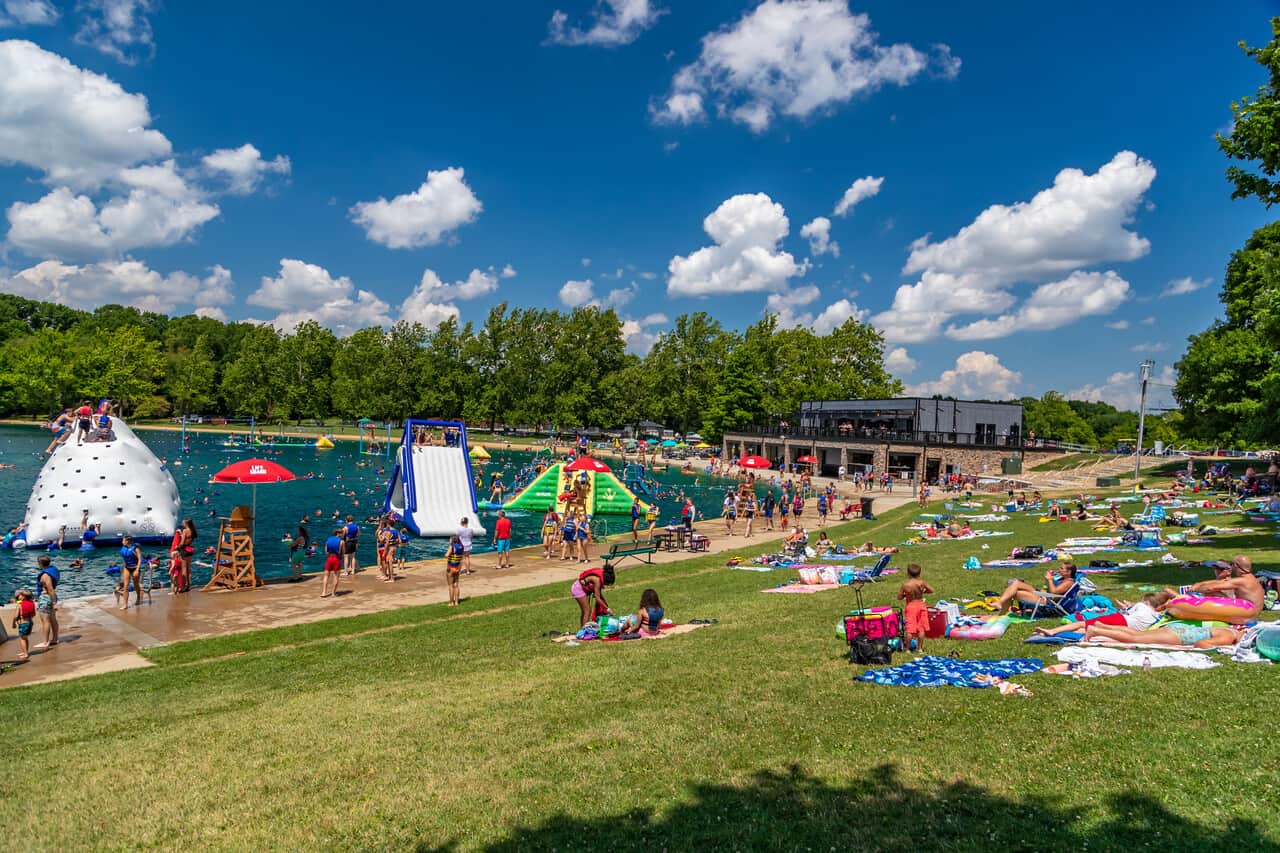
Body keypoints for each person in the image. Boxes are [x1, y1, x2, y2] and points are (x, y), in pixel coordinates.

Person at [1034, 591, 1173, 637]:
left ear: (1146, 601)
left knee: (1081, 623)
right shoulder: (1157, 616)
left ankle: (1052, 631)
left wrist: (1124, 607)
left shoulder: (1141, 605)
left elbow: (1125, 612)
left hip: (1123, 620)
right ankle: (1061, 633)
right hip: (1133, 629)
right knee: (1089, 629)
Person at [1164, 555, 1264, 618]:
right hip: (1252, 614)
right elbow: (1216, 583)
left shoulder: (1240, 581)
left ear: (1236, 566)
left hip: (1248, 615)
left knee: (1213, 593)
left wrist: (1196, 588)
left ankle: (1179, 604)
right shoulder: (1251, 579)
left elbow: (1210, 588)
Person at [1085, 620, 1243, 648]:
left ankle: (1103, 626)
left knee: (1138, 633)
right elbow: (1201, 644)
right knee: (1136, 638)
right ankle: (1096, 630)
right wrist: (1221, 647)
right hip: (1181, 636)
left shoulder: (1230, 630)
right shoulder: (1228, 637)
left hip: (1180, 629)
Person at [897, 564, 935, 652]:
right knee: (921, 629)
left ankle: (907, 649)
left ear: (908, 573)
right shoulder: (922, 583)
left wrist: (904, 595)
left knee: (910, 629)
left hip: (911, 606)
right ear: (919, 574)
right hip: (921, 605)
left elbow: (899, 597)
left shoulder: (906, 585)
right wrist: (923, 592)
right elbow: (931, 590)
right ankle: (920, 648)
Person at [35, 555, 59, 648]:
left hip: (45, 599)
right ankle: (55, 638)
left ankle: (45, 642)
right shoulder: (53, 569)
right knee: (53, 619)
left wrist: (54, 603)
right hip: (50, 597)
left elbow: (50, 588)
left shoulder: (45, 576)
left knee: (45, 621)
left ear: (40, 564)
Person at [116, 535, 143, 610]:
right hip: (127, 568)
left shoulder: (135, 548)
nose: (122, 541)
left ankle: (138, 597)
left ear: (127, 541)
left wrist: (137, 570)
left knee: (136, 584)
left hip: (135, 568)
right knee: (125, 586)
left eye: (123, 540)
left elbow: (140, 559)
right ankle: (125, 604)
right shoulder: (124, 548)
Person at [11, 589, 36, 659]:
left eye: (20, 595)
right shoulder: (31, 603)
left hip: (23, 624)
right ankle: (25, 651)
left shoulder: (20, 605)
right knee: (25, 638)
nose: (19, 596)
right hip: (30, 623)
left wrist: (13, 623)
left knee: (22, 639)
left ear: (23, 597)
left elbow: (15, 616)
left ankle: (25, 654)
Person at [321, 528, 343, 598]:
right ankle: (333, 593)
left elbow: (326, 551)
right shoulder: (341, 541)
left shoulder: (328, 540)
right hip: (337, 559)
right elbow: (342, 552)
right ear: (338, 533)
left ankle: (324, 592)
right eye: (342, 533)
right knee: (336, 576)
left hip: (329, 558)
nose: (342, 534)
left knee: (326, 575)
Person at [445, 534, 464, 606]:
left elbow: (446, 555)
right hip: (457, 568)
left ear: (452, 539)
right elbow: (461, 558)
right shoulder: (461, 547)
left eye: (450, 539)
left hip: (450, 568)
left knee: (450, 586)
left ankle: (451, 602)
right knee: (456, 585)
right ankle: (456, 602)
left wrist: (446, 554)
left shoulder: (452, 546)